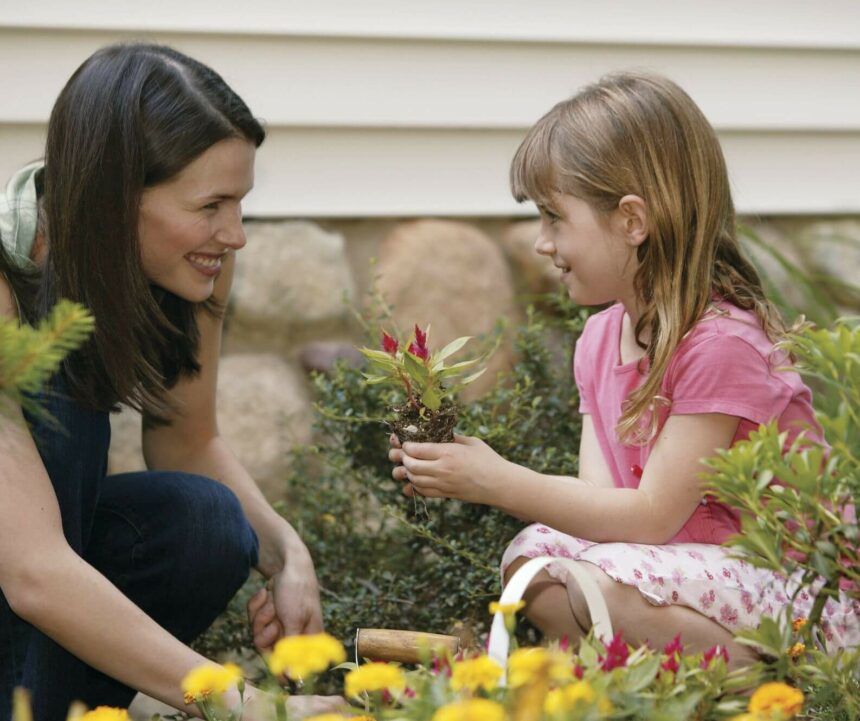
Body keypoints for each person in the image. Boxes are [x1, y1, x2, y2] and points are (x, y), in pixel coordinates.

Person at [390, 72, 859, 664]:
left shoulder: (722, 344)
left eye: (554, 218)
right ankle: (643, 678)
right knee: (533, 564)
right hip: (680, 572)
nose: (541, 242)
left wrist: (497, 481)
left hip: (799, 595)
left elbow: (652, 517)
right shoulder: (598, 340)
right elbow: (601, 500)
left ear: (632, 221)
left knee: (604, 586)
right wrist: (461, 465)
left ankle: (783, 680)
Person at [0, 43, 340, 720]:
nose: (235, 234)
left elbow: (187, 441)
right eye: (211, 204)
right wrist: (244, 704)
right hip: (22, 570)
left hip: (34, 576)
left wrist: (286, 554)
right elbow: (33, 571)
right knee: (57, 429)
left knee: (206, 520)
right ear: (114, 198)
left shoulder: (190, 263)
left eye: (239, 202)